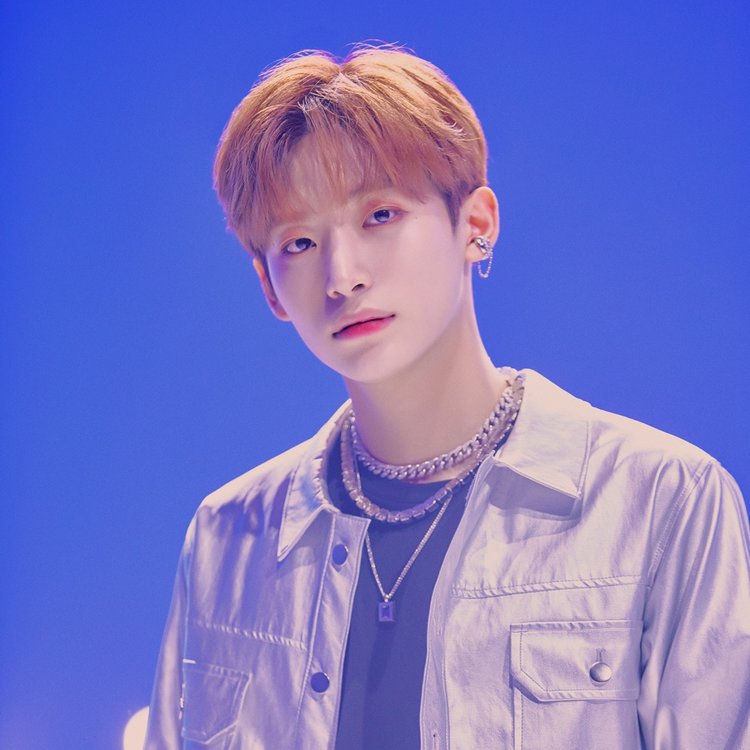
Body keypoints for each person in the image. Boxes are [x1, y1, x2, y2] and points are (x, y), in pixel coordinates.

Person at [145, 45, 750, 749]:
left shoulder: (662, 501)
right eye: (300, 244)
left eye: (380, 216)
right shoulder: (227, 537)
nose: (343, 276)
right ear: (269, 288)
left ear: (476, 225)